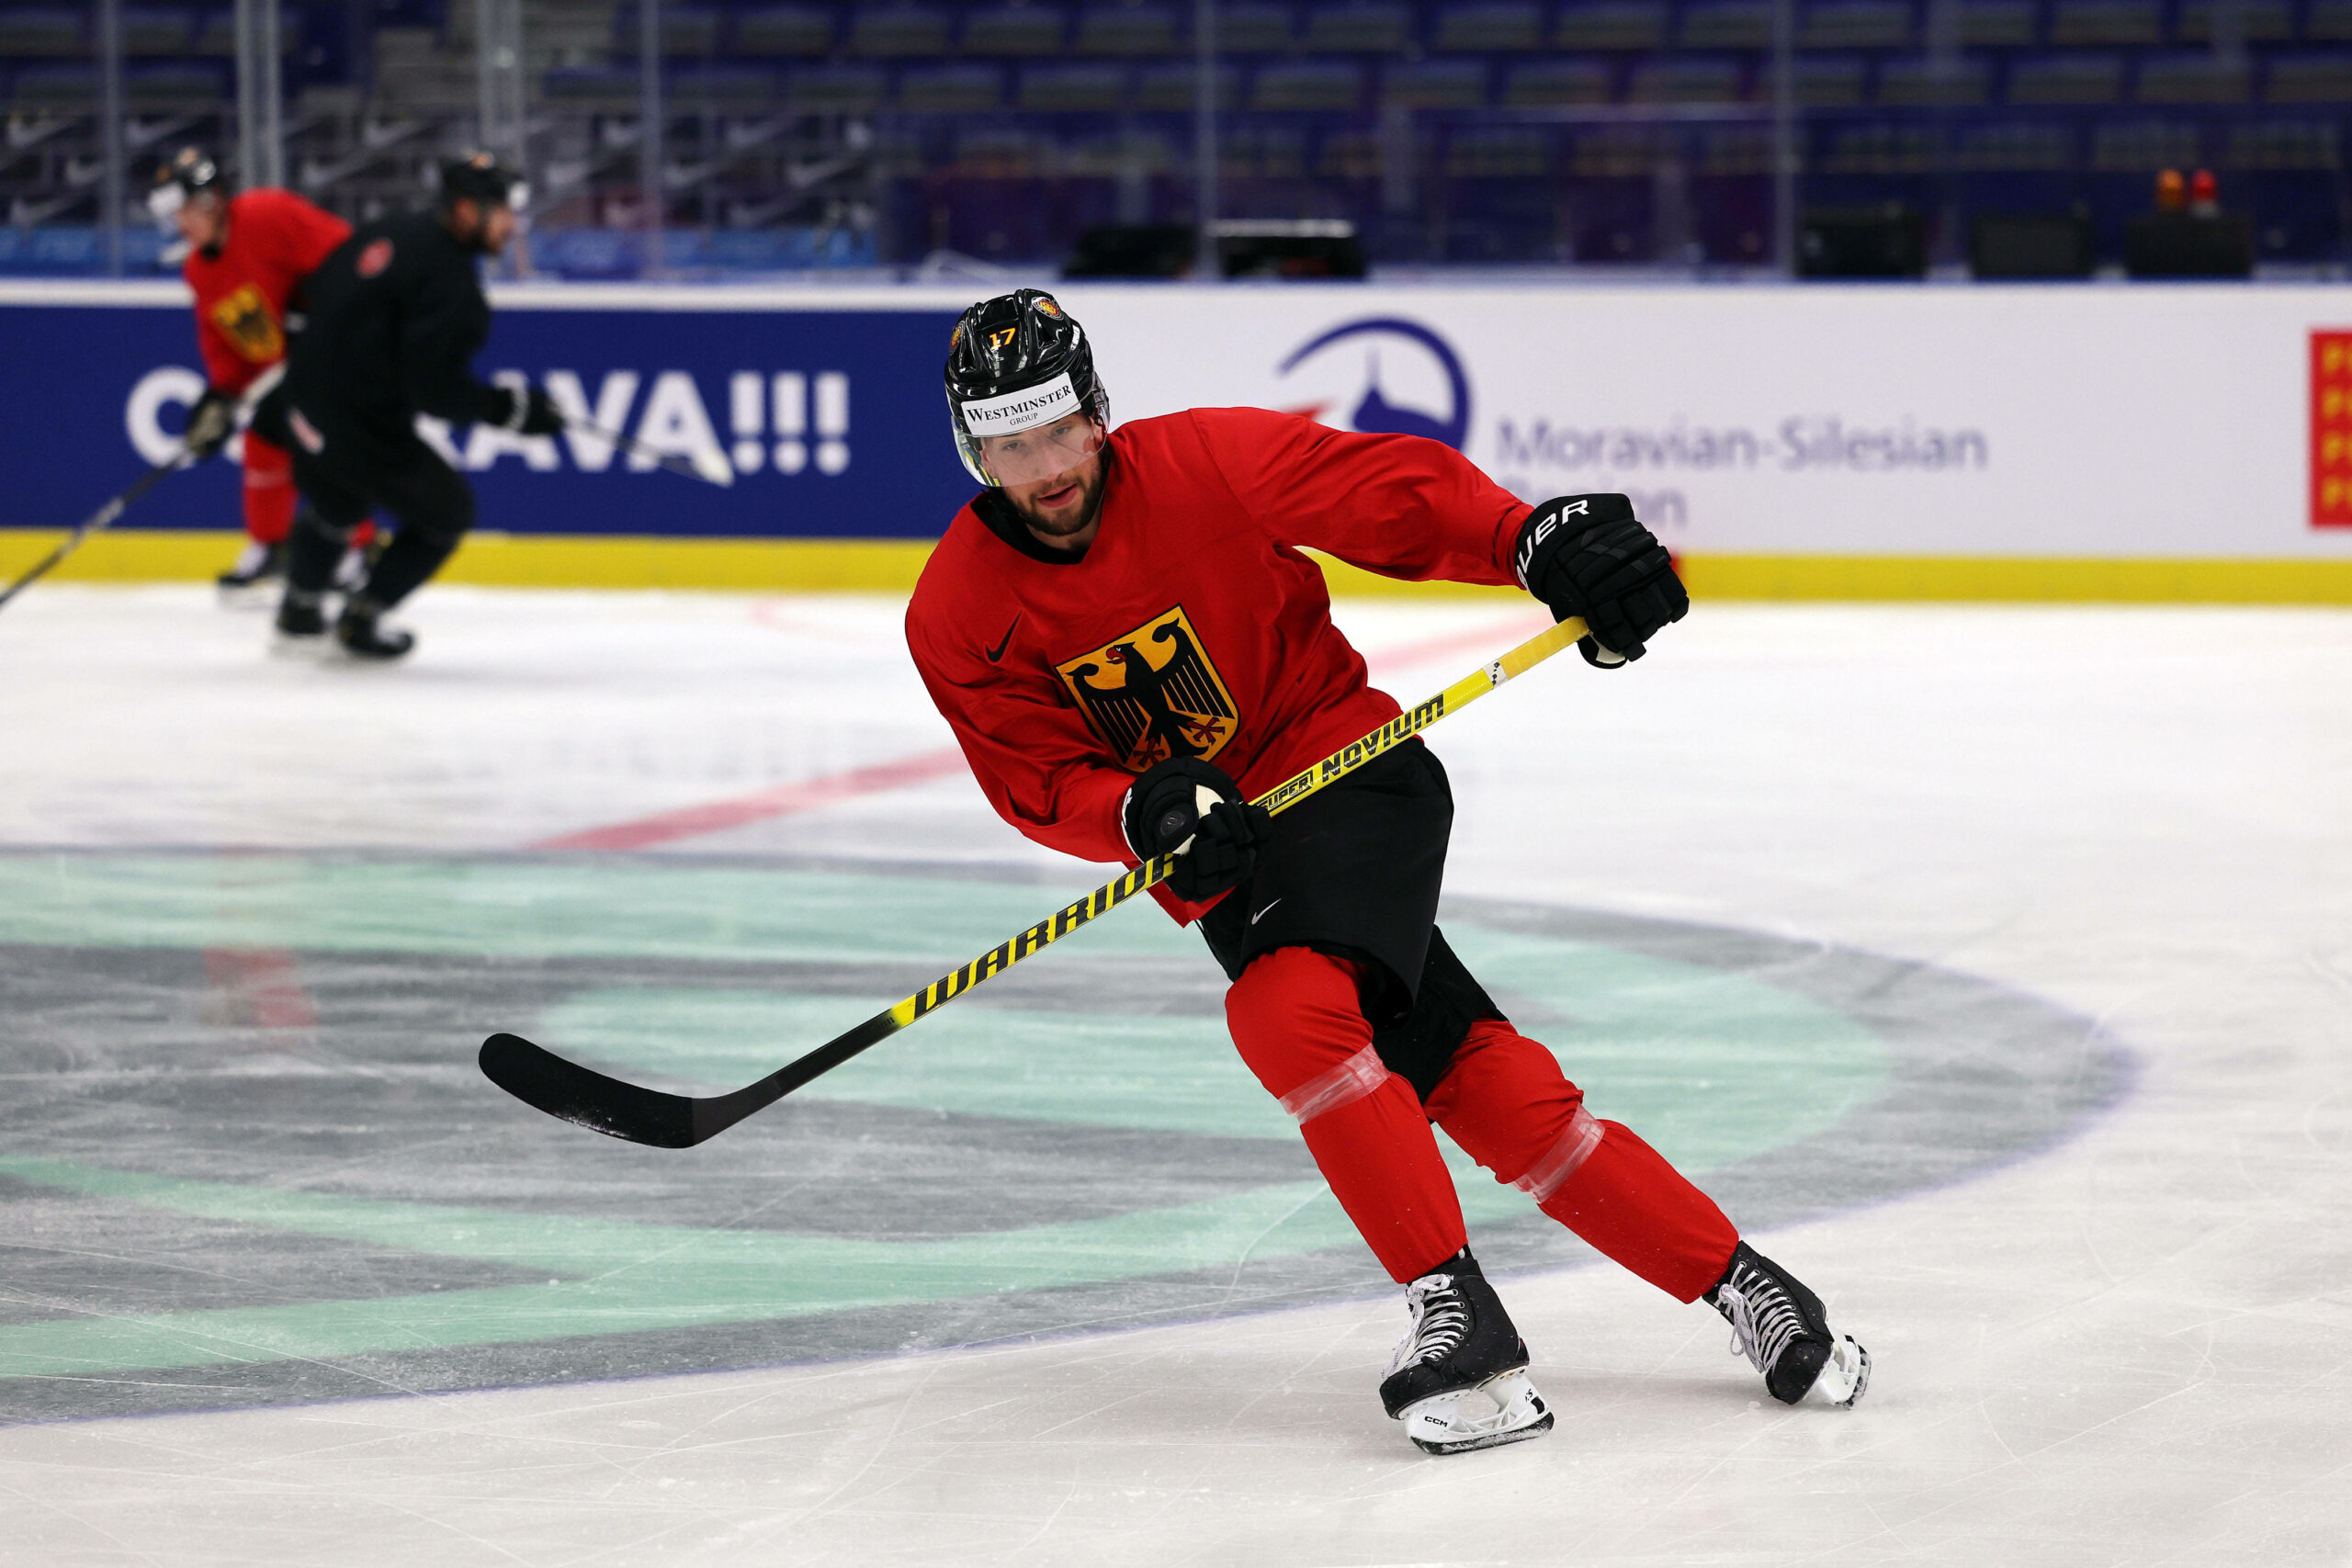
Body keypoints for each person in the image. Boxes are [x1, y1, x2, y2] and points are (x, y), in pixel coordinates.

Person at [904, 290, 1870, 1455]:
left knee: (1288, 1010)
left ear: (1097, 413)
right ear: (974, 448)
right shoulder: (955, 611)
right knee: (1480, 1082)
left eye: (1058, 430)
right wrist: (1137, 812)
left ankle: (1455, 1314)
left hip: (1348, 774)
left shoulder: (1207, 459)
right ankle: (1755, 1294)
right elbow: (1035, 776)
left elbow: (1379, 496)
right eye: (1012, 444)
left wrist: (1527, 540)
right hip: (1225, 855)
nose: (1046, 467)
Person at [255, 152, 563, 659]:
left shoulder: (392, 229)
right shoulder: (453, 287)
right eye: (505, 213)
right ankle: (362, 617)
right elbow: (436, 392)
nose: (513, 227)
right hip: (359, 426)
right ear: (467, 211)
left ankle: (300, 606)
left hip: (303, 403)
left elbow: (315, 297)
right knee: (447, 512)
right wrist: (513, 411)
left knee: (338, 503)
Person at [148, 146, 372, 593]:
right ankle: (272, 547)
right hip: (300, 359)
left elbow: (350, 255)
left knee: (323, 441)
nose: (180, 223)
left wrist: (321, 312)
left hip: (350, 338)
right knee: (266, 439)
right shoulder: (201, 270)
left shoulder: (268, 214)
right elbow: (232, 346)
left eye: (184, 210)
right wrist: (222, 396)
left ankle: (357, 546)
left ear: (211, 200)